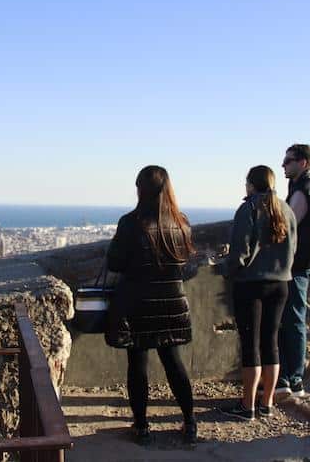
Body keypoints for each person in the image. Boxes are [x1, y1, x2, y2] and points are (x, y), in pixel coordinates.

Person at [107, 165, 197, 445]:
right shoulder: (181, 222)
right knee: (174, 362)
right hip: (172, 302)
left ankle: (142, 426)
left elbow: (116, 263)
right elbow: (185, 265)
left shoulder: (130, 222)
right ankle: (190, 421)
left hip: (139, 303)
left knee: (138, 364)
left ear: (140, 190)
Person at [221, 166, 296, 421]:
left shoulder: (249, 208)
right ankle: (268, 403)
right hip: (281, 283)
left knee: (251, 345)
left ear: (251, 185)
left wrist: (225, 268)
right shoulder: (285, 209)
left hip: (251, 284)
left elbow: (240, 252)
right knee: (270, 342)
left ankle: (247, 405)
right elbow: (293, 248)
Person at [277, 144, 310, 399]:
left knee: (291, 321)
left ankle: (291, 378)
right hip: (308, 263)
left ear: (303, 163)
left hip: (297, 264)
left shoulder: (301, 190)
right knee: (295, 319)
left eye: (288, 161)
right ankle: (293, 377)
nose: (283, 165)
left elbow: (286, 227)